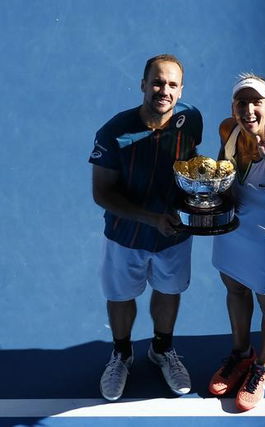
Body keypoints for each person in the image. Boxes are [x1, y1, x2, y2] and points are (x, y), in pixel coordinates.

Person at [89, 54, 203, 401]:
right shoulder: (113, 133)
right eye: (157, 82)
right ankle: (122, 354)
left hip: (175, 234)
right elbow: (101, 193)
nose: (163, 90)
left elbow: (192, 161)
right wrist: (150, 218)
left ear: (180, 89)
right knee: (121, 297)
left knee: (169, 291)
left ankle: (161, 349)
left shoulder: (191, 118)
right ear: (142, 85)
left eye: (171, 84)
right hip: (126, 237)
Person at [209, 74, 265, 411]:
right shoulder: (228, 130)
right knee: (234, 290)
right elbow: (223, 170)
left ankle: (262, 365)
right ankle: (240, 353)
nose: (249, 109)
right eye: (241, 102)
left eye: (256, 102)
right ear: (233, 108)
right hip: (234, 233)